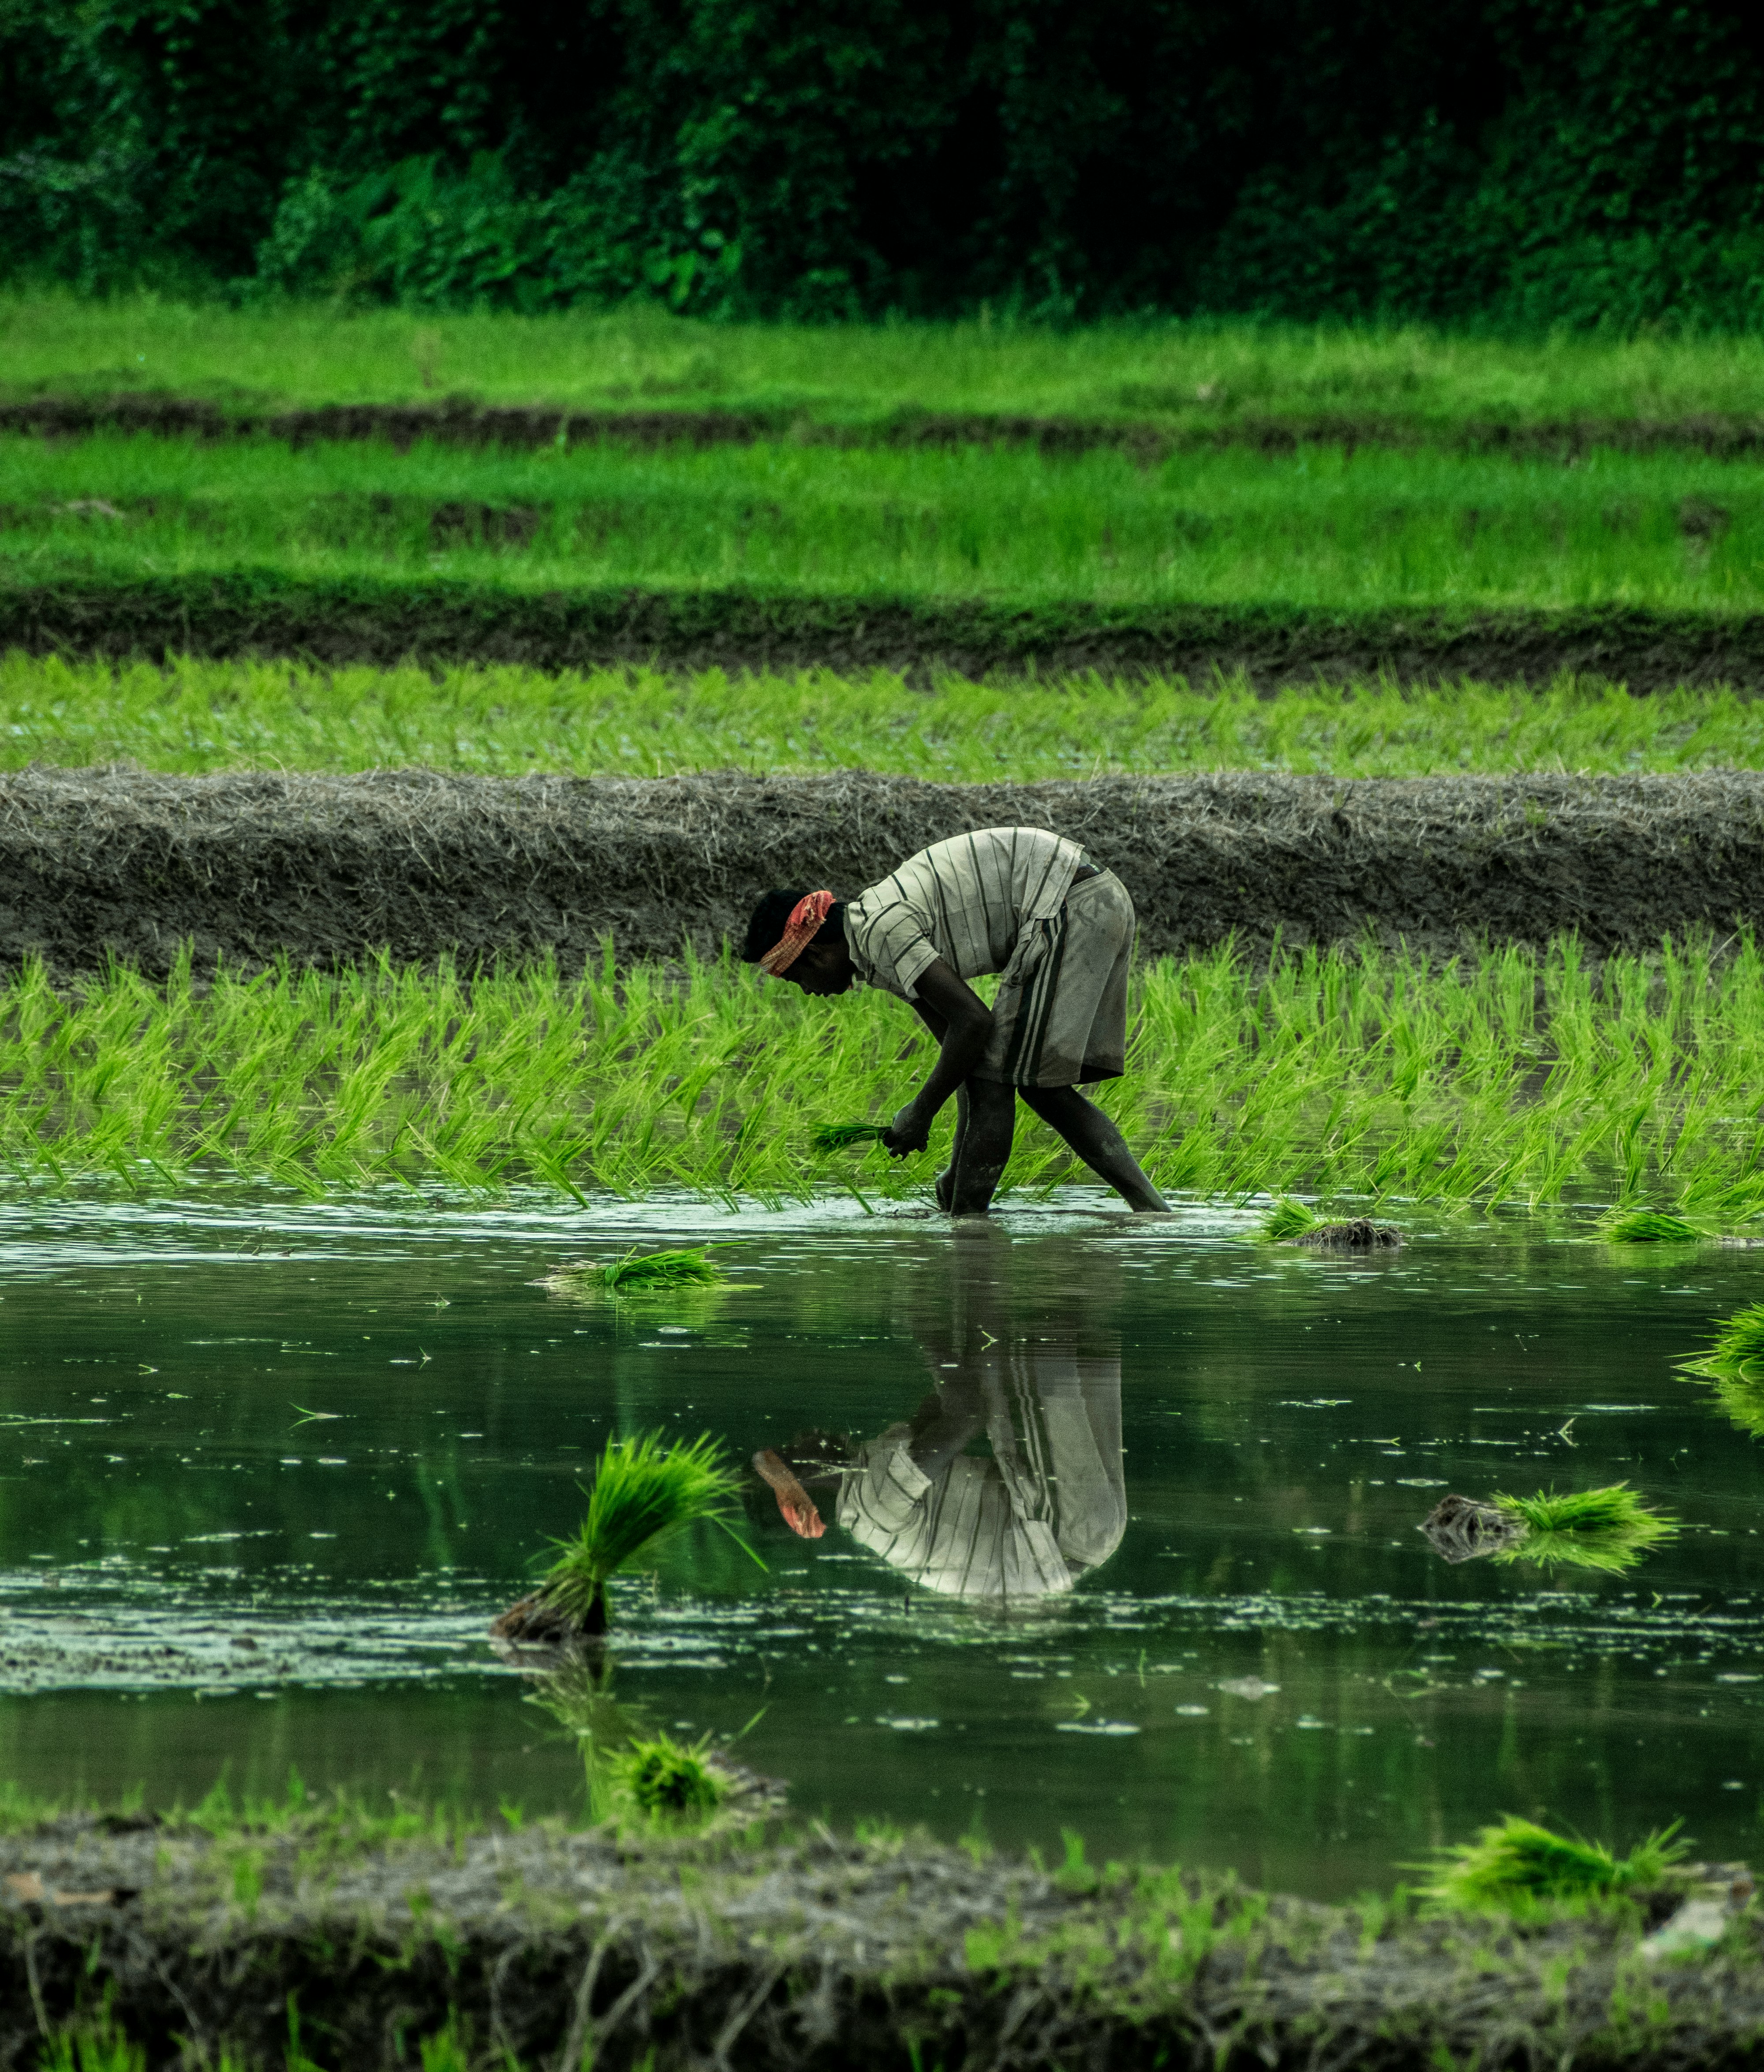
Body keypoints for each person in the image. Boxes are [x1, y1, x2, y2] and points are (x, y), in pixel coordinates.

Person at [740, 825, 1168, 1214]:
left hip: (1069, 906)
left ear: (815, 953)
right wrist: (954, 1172)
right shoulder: (876, 946)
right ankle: (1147, 1210)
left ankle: (973, 1228)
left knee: (1030, 1087)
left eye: (796, 978)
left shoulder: (880, 931)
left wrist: (921, 1111)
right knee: (1029, 1085)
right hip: (1085, 901)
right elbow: (970, 1064)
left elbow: (974, 1023)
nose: (808, 991)